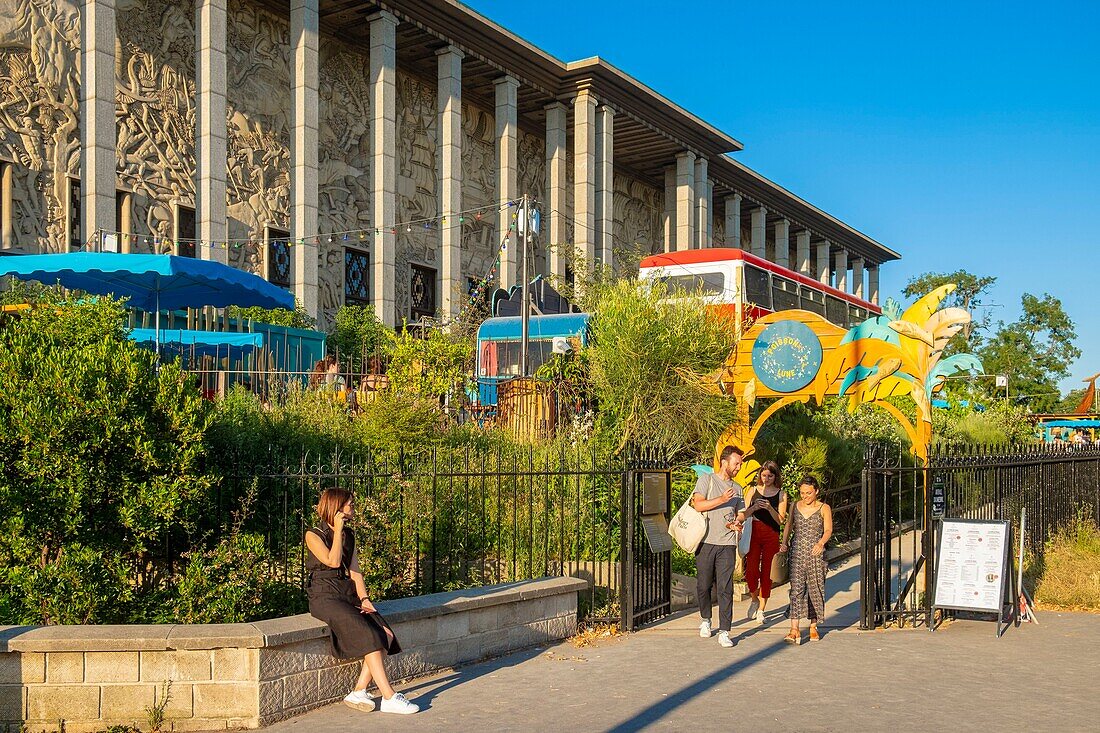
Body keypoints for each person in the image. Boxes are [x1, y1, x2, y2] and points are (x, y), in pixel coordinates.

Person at [304, 488, 419, 714]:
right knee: (369, 636)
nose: (353, 508)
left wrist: (365, 599)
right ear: (336, 508)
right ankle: (388, 696)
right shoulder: (313, 534)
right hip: (324, 595)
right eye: (350, 505)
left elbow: (354, 571)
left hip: (347, 593)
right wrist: (337, 531)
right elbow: (333, 561)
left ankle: (359, 690)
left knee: (384, 633)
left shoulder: (350, 535)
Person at [692, 445, 747, 648]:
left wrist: (737, 521)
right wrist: (722, 499)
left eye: (740, 464)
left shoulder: (738, 488)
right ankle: (706, 619)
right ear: (724, 462)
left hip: (726, 543)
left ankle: (725, 630)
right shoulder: (707, 480)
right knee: (703, 585)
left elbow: (740, 512)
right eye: (736, 463)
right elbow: (698, 505)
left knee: (725, 587)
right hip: (706, 541)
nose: (738, 467)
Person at [779, 475, 832, 644]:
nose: (805, 496)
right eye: (802, 493)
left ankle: (813, 626)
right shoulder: (795, 505)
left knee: (815, 589)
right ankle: (794, 629)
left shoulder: (824, 508)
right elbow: (789, 525)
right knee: (796, 589)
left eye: (808, 493)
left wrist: (821, 543)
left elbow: (828, 529)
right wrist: (784, 542)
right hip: (797, 552)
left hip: (816, 554)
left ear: (816, 491)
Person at [743, 461, 787, 626]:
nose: (766, 478)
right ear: (760, 475)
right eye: (764, 475)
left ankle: (761, 609)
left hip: (771, 533)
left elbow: (781, 520)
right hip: (754, 531)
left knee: (768, 573)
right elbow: (743, 514)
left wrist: (770, 508)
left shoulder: (781, 494)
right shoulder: (752, 491)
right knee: (751, 570)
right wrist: (754, 508)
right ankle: (754, 598)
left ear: (775, 476)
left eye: (770, 475)